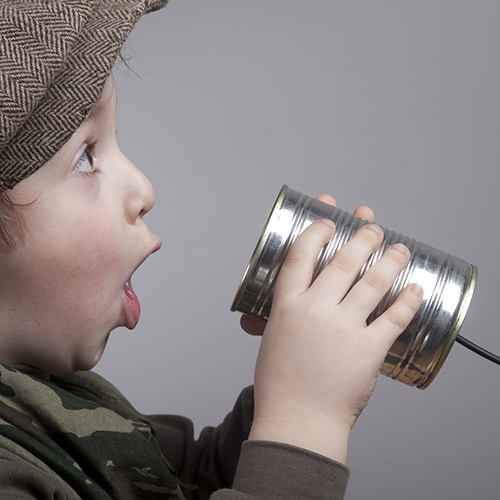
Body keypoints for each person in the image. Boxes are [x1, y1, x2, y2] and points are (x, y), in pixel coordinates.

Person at [0, 1, 423, 498]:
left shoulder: (53, 401)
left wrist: (293, 378)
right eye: (87, 158)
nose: (144, 189)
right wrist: (307, 414)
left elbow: (188, 483)